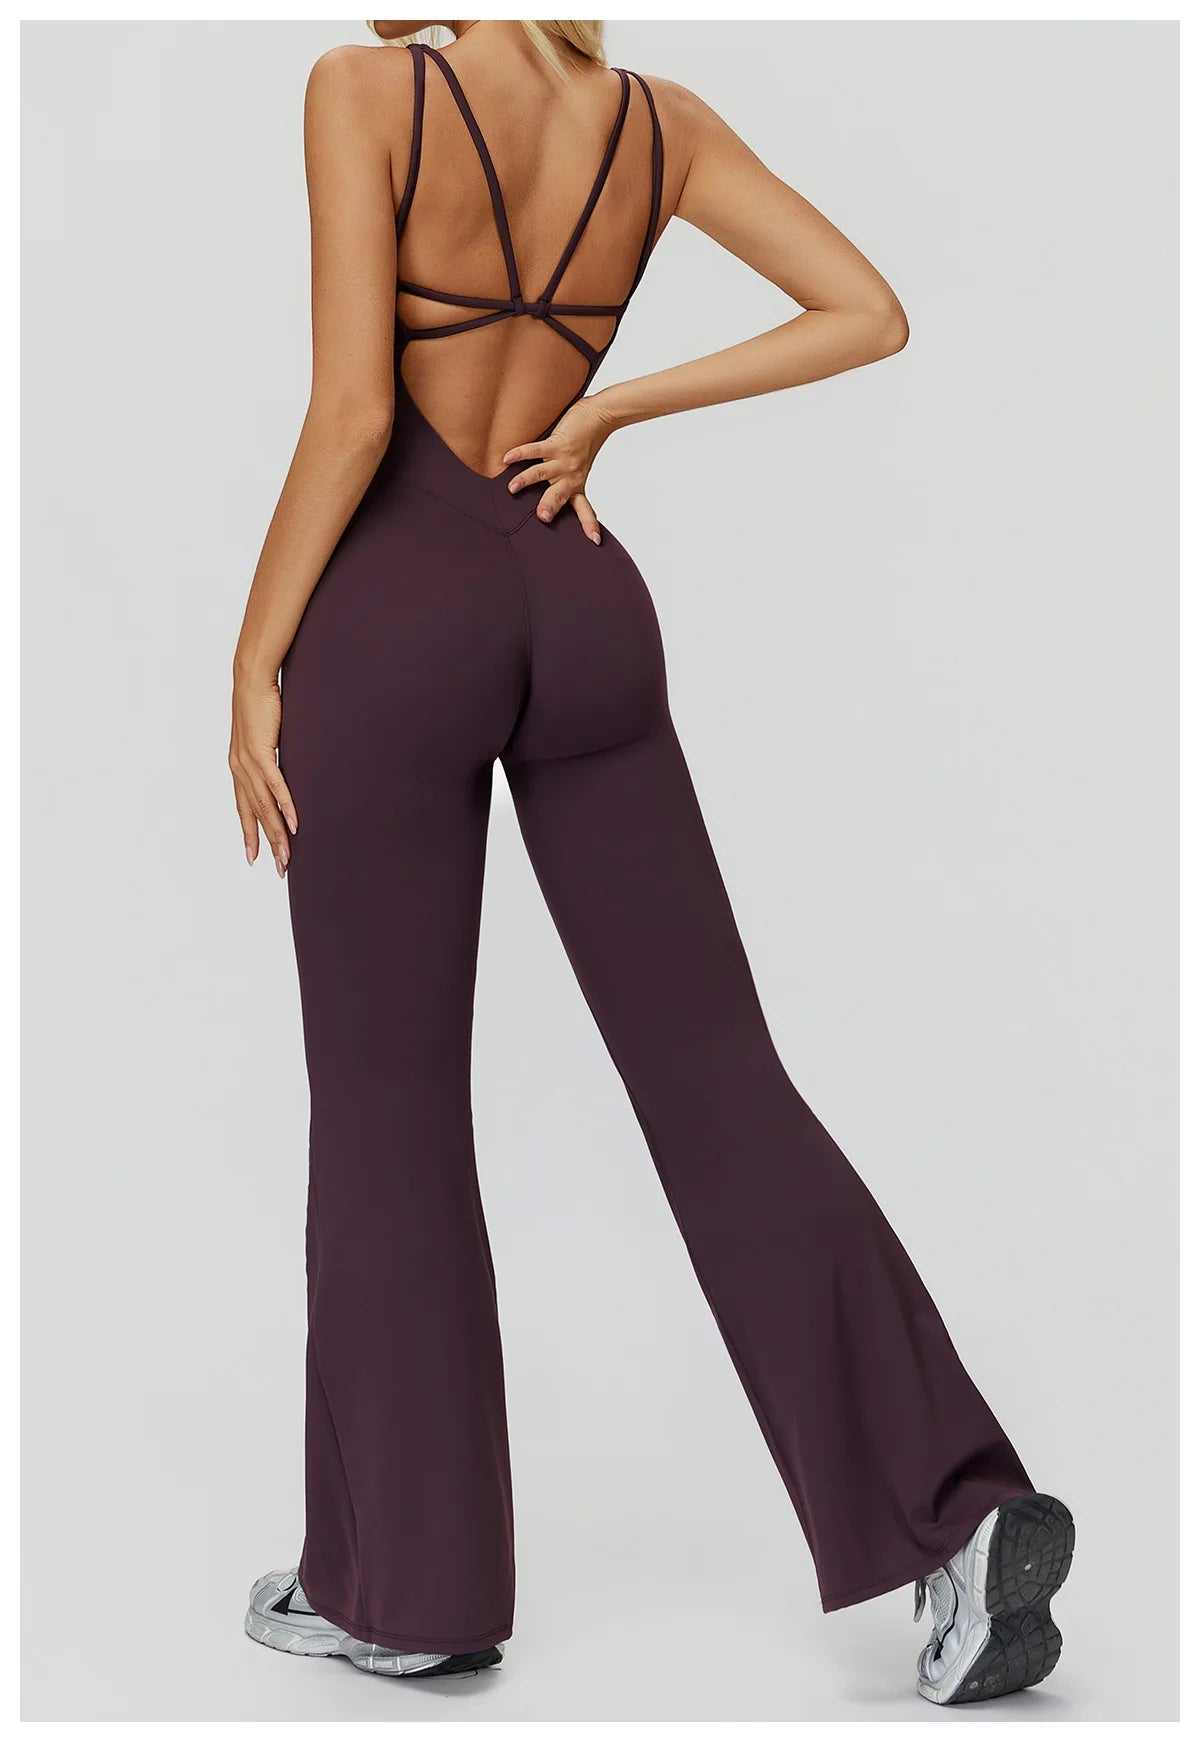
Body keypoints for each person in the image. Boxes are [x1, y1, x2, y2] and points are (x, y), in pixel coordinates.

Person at [232, 19, 1073, 1703]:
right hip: (582, 597)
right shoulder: (657, 125)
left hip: (399, 612)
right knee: (718, 1078)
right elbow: (867, 309)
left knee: (389, 1100)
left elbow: (353, 413)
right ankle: (961, 1513)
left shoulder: (364, 89)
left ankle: (406, 1587)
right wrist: (609, 407)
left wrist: (255, 653)